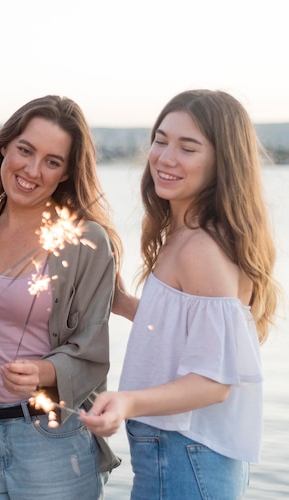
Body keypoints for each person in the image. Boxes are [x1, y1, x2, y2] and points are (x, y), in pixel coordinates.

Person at [81, 89, 280, 499]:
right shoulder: (194, 232)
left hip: (187, 456)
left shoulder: (200, 247)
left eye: (188, 148)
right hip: (188, 453)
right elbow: (189, 334)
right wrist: (125, 305)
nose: (165, 157)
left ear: (222, 162)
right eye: (161, 139)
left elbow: (214, 381)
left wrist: (126, 402)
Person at [0, 95, 123, 499]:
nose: (32, 170)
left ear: (65, 173)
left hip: (51, 439)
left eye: (52, 161)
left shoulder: (87, 241)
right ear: (3, 148)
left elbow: (93, 351)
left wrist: (44, 373)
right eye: (25, 150)